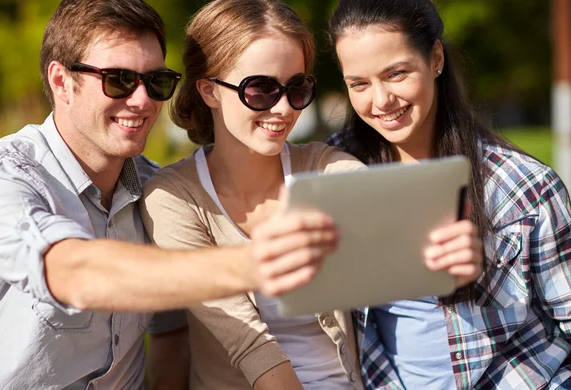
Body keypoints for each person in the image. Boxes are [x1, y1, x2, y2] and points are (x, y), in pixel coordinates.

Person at [0, 1, 347, 389]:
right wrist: (257, 263)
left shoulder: (157, 191)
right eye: (118, 79)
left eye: (156, 82)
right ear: (61, 82)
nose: (143, 100)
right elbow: (73, 273)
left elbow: (171, 335)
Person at [140, 0, 482, 389]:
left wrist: (442, 252)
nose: (285, 108)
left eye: (296, 87)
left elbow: (396, 242)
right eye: (261, 89)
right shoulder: (172, 197)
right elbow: (247, 343)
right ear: (209, 91)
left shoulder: (328, 168)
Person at [325, 0, 571, 389]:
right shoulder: (329, 174)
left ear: (435, 57)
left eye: (397, 73)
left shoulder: (523, 187)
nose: (381, 101)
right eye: (359, 83)